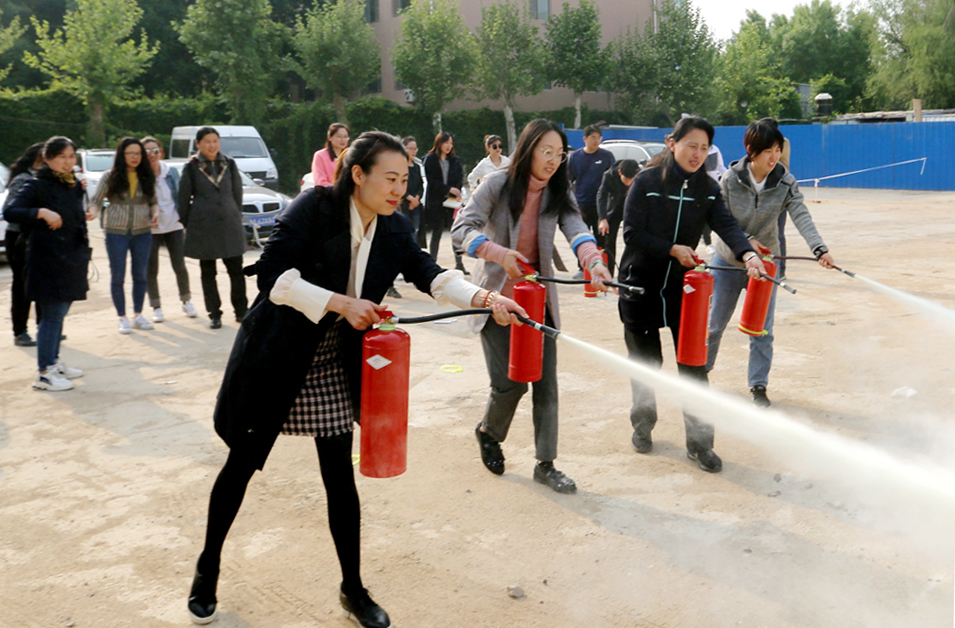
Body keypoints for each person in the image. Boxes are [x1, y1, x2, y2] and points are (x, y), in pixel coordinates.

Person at [186, 131, 526, 627]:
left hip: (332, 363)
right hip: (278, 355)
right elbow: (273, 278)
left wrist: (487, 298)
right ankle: (207, 567)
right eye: (389, 178)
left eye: (405, 179)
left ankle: (353, 588)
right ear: (358, 174)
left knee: (339, 478)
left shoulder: (392, 226)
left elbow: (430, 273)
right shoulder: (314, 207)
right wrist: (342, 303)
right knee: (241, 465)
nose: (398, 188)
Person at [452, 118, 614, 494]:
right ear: (528, 149)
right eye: (546, 152)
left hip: (536, 300)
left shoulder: (558, 188)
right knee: (510, 384)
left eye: (559, 154)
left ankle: (547, 463)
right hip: (494, 298)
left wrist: (593, 261)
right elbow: (462, 228)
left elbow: (576, 226)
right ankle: (489, 432)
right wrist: (496, 252)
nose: (554, 161)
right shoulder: (497, 183)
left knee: (546, 383)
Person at [616, 116, 766, 473]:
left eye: (703, 148)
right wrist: (672, 249)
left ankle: (700, 444)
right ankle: (643, 424)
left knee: (694, 369)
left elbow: (726, 224)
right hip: (641, 287)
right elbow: (632, 234)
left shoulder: (708, 188)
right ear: (673, 144)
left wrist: (748, 253)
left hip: (685, 293)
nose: (697, 154)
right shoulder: (647, 182)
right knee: (646, 365)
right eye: (690, 146)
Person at [706, 118, 835, 408]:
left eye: (777, 149)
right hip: (728, 259)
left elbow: (801, 214)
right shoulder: (729, 180)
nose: (774, 156)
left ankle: (758, 385)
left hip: (764, 265)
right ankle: (701, 371)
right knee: (714, 324)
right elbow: (721, 222)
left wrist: (819, 248)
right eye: (768, 151)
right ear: (751, 150)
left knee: (762, 329)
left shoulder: (785, 181)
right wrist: (746, 241)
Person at [5, 136, 90, 391]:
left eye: (71, 156)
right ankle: (44, 373)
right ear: (48, 158)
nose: (67, 162)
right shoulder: (36, 185)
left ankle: (53, 362)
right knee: (52, 316)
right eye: (62, 156)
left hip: (70, 256)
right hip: (47, 258)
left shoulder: (72, 185)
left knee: (60, 314)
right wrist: (40, 212)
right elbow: (10, 211)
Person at [177, 126, 249, 329]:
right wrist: (186, 222)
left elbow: (237, 193)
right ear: (198, 144)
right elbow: (183, 197)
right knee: (208, 272)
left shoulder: (229, 163)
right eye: (207, 141)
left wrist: (235, 214)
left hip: (229, 223)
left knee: (236, 270)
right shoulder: (192, 166)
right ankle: (214, 313)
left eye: (215, 141)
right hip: (203, 225)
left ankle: (241, 311)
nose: (212, 145)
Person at [87, 137, 159, 334]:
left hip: (142, 231)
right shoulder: (110, 176)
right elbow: (96, 199)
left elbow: (154, 201)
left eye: (138, 153)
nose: (134, 157)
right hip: (116, 232)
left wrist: (155, 212)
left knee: (140, 275)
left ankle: (138, 314)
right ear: (122, 155)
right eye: (130, 153)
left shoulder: (147, 176)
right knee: (118, 276)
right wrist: (92, 212)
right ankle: (122, 317)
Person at [142, 136, 198, 322]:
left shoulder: (171, 171)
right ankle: (156, 306)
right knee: (151, 269)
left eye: (155, 151)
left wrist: (186, 220)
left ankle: (186, 301)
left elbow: (181, 196)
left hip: (173, 225)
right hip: (150, 229)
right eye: (147, 151)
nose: (151, 155)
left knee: (180, 266)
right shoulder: (140, 176)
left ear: (161, 152)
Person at [3, 142, 45, 347]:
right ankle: (20, 331)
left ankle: (46, 328)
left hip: (41, 238)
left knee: (43, 285)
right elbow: (10, 211)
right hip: (19, 238)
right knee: (22, 286)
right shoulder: (24, 179)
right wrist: (38, 214)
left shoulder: (50, 180)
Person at [567, 124, 615, 277]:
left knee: (602, 237)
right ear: (584, 139)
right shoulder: (574, 157)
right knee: (582, 237)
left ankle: (602, 268)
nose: (596, 140)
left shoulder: (606, 156)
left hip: (601, 205)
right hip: (582, 203)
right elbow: (568, 180)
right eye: (593, 137)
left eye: (599, 137)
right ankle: (582, 269)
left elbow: (613, 179)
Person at [421, 132, 466, 273]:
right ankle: (432, 263)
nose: (449, 146)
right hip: (436, 202)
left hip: (452, 202)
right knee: (437, 232)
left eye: (451, 143)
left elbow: (459, 178)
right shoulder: (430, 159)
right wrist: (448, 189)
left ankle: (459, 264)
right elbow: (431, 181)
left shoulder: (455, 160)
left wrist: (456, 191)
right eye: (446, 143)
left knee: (455, 232)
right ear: (439, 143)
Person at [596, 158, 640, 276]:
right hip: (615, 208)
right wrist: (603, 218)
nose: (629, 183)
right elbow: (601, 195)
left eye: (632, 179)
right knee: (608, 240)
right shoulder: (609, 176)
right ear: (620, 172)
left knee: (635, 238)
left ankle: (631, 271)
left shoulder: (641, 175)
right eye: (626, 179)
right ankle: (608, 273)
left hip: (632, 209)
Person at [699, 142, 727, 249]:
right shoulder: (699, 151)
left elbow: (720, 167)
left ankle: (706, 238)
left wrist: (729, 176)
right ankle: (708, 242)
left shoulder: (715, 149)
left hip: (714, 187)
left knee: (713, 214)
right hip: (701, 187)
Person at [311, 122, 350, 187]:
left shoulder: (350, 156)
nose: (343, 140)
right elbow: (320, 182)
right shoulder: (320, 155)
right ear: (329, 137)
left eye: (345, 137)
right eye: (339, 136)